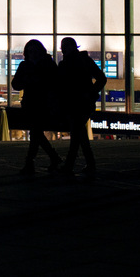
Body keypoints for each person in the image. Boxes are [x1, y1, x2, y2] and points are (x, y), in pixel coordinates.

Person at [11, 39, 63, 174]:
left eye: (34, 51)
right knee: (36, 133)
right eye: (30, 51)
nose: (32, 54)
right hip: (31, 104)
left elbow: (55, 84)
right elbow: (15, 84)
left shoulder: (46, 65)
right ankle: (51, 157)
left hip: (42, 104)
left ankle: (31, 162)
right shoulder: (30, 65)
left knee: (35, 132)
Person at [58, 37, 107, 176]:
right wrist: (90, 93)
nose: (63, 50)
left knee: (77, 134)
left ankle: (70, 165)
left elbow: (61, 87)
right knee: (79, 134)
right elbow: (101, 78)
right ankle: (88, 164)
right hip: (83, 103)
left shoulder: (66, 64)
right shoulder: (84, 60)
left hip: (74, 104)